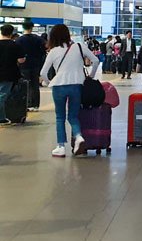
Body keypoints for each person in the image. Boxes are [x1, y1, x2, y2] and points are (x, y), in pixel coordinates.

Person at [39, 24, 101, 157]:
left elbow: (43, 73)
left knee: (60, 117)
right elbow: (95, 60)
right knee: (73, 116)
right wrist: (91, 76)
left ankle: (61, 147)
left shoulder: (53, 51)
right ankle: (79, 137)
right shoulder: (79, 47)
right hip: (76, 86)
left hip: (59, 87)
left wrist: (50, 82)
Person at [16, 20, 46, 112]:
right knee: (35, 85)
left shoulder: (19, 40)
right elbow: (44, 50)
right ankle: (35, 105)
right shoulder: (38, 39)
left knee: (26, 85)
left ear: (23, 28)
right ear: (32, 27)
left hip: (24, 65)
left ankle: (27, 104)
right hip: (35, 64)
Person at [0, 24, 26, 125]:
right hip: (9, 74)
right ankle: (1, 118)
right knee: (2, 96)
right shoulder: (15, 45)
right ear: (11, 34)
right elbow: (21, 60)